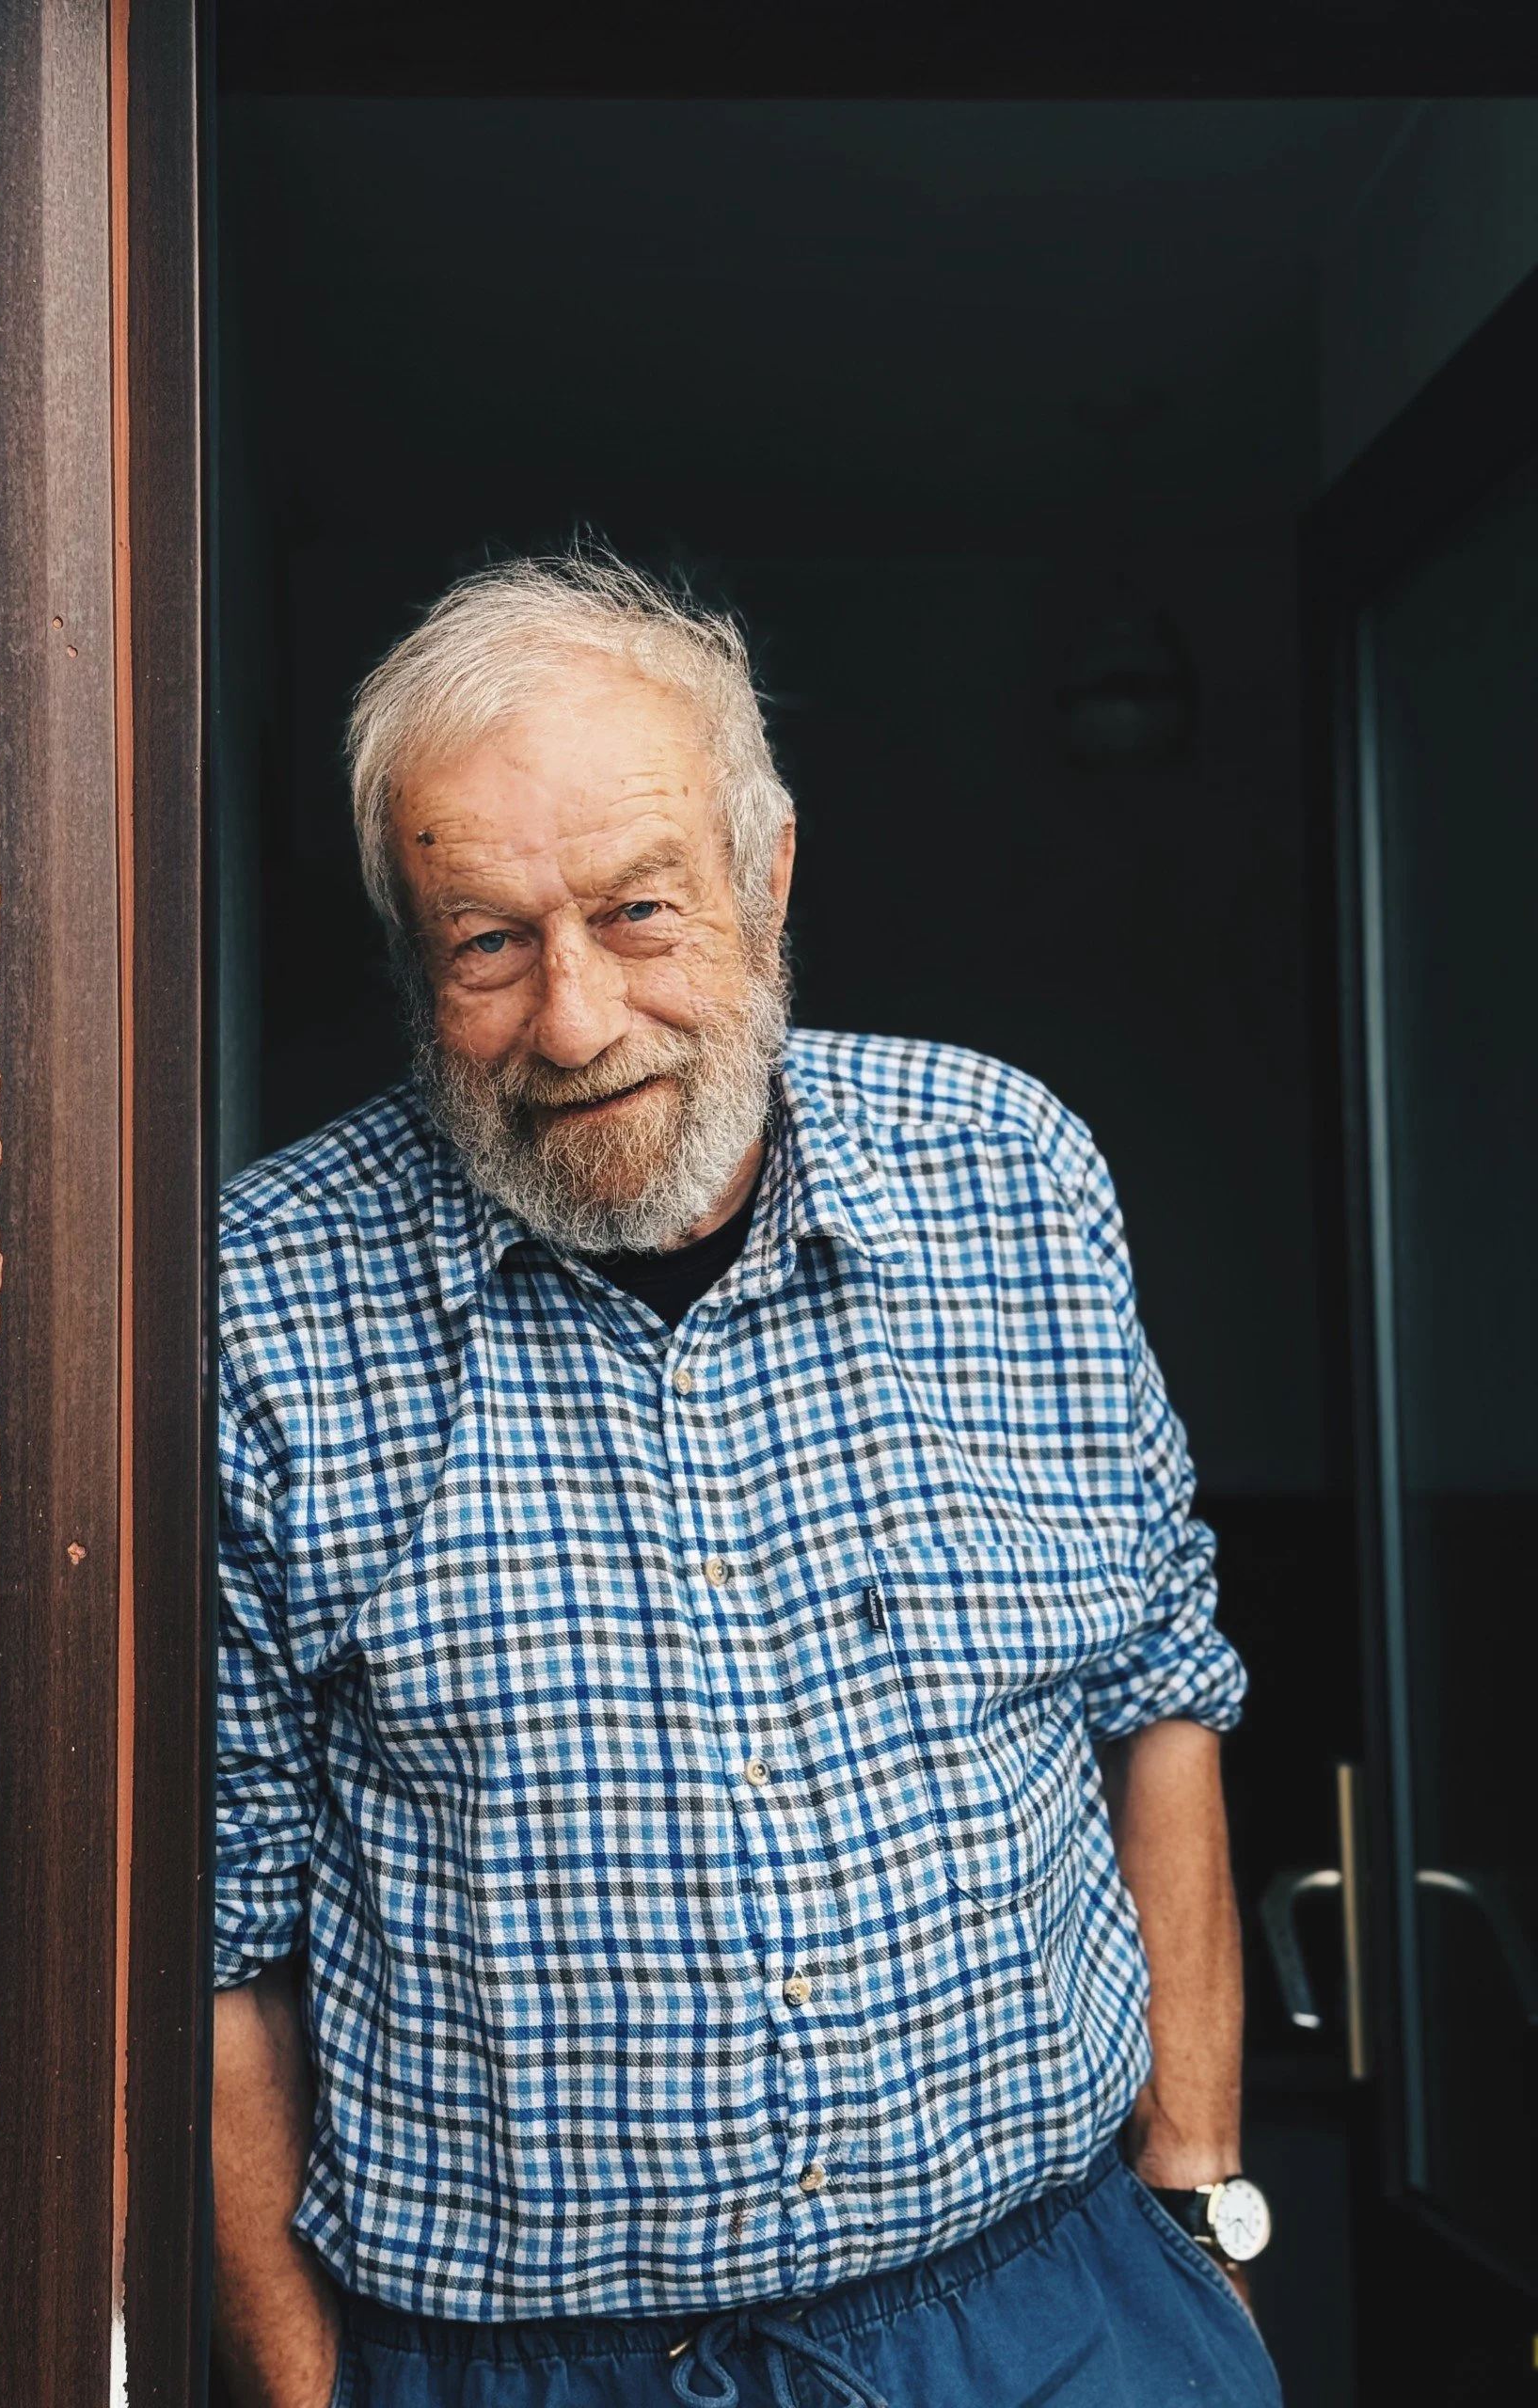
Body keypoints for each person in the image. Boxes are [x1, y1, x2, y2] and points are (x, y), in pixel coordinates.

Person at [210, 555, 1280, 2408]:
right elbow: (220, 1949)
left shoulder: (1010, 1175)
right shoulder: (263, 1301)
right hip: (534, 2371)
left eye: (639, 912)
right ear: (413, 957)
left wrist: (1198, 2207)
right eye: (488, 943)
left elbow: (1159, 1695)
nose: (574, 1018)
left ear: (766, 876)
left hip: (1061, 2312)